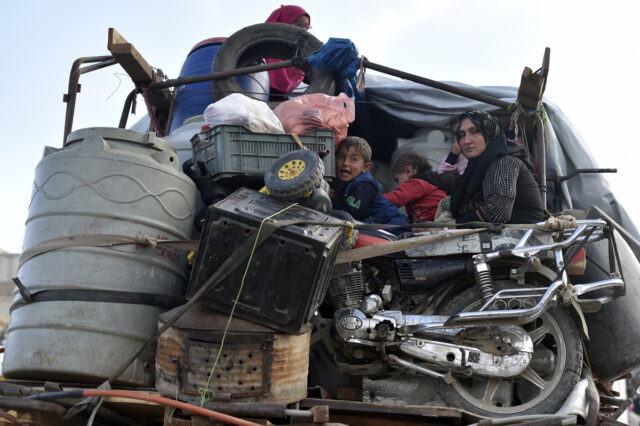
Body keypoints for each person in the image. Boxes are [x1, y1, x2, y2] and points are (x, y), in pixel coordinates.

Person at [442, 110, 545, 224]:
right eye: (462, 135)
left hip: (524, 236)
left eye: (475, 131)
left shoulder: (504, 162)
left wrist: (454, 226)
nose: (467, 140)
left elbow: (497, 212)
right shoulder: (475, 169)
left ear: (490, 134)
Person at [330, 136, 409, 234]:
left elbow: (352, 213)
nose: (345, 163)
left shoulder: (364, 186)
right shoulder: (341, 180)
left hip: (392, 226)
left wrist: (332, 199)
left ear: (366, 167)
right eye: (341, 157)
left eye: (354, 159)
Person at [384, 152, 447, 223]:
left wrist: (376, 200)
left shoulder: (417, 182)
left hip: (432, 223)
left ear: (408, 171)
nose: (398, 184)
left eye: (397, 179)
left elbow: (396, 197)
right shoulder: (429, 182)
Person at [265, 5, 311, 100]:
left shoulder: (299, 53)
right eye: (299, 24)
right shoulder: (258, 47)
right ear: (283, 21)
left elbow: (315, 78)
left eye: (306, 27)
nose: (303, 30)